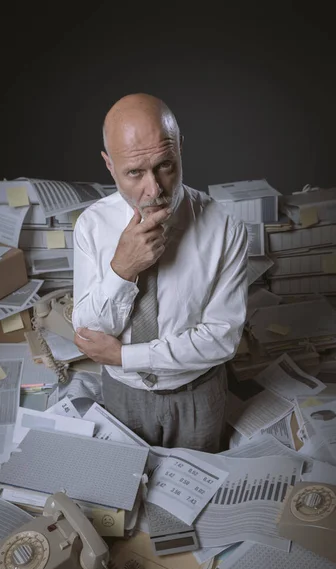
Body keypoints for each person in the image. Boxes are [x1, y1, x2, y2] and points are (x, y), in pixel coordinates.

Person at [72, 93, 248, 452]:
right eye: (134, 173)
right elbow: (89, 333)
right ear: (109, 164)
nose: (153, 190)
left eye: (165, 165)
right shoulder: (92, 225)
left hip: (197, 394)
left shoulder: (225, 227)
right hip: (123, 394)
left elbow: (221, 338)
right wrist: (123, 268)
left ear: (180, 147)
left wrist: (124, 357)